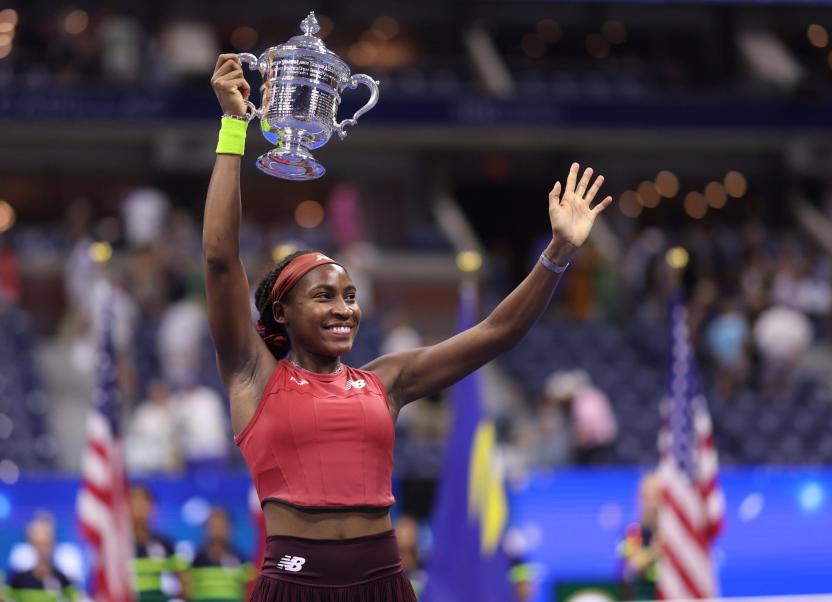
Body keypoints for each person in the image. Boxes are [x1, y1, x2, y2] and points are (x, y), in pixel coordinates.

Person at [203, 53, 612, 601]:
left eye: (350, 297)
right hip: (292, 585)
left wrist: (557, 253)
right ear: (282, 312)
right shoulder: (253, 375)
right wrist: (234, 125)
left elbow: (497, 333)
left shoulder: (385, 380)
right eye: (323, 297)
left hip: (385, 585)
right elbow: (220, 259)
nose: (344, 309)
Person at [129, 485, 190, 602]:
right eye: (134, 500)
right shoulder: (116, 547)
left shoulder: (166, 544)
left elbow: (185, 584)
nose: (139, 505)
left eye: (145, 500)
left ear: (153, 507)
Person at [8, 518, 79, 602]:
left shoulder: (62, 578)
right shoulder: (18, 579)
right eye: (39, 544)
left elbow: (76, 598)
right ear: (32, 544)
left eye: (47, 544)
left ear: (53, 544)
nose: (43, 549)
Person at [190, 507, 252, 602]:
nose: (217, 530)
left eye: (221, 525)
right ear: (206, 529)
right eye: (213, 526)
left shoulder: (241, 559)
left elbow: (250, 590)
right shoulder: (196, 560)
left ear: (229, 528)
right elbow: (189, 591)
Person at [617, 471, 661, 600]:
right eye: (647, 495)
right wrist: (656, 551)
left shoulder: (676, 533)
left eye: (657, 495)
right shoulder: (633, 532)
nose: (652, 502)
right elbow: (631, 567)